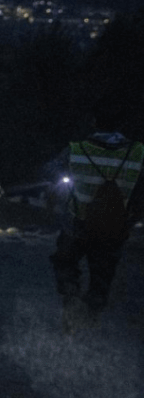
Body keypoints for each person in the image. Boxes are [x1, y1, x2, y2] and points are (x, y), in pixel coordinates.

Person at [49, 122, 143, 333]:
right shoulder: (138, 152)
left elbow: (51, 171)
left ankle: (71, 298)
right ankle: (90, 320)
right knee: (102, 275)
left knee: (65, 262)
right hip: (113, 230)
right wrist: (129, 220)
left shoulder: (77, 149)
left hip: (76, 225)